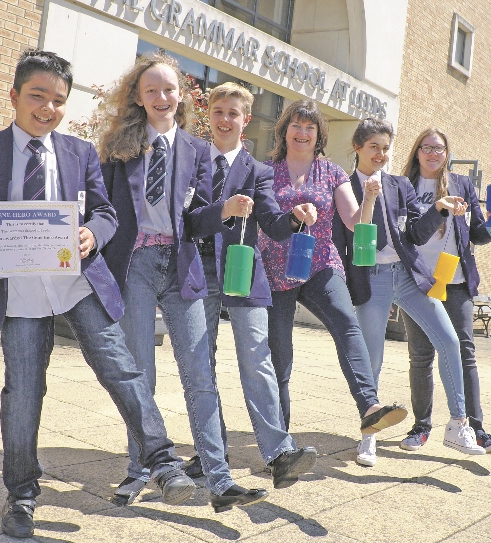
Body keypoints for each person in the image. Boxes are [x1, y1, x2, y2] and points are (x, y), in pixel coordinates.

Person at [0, 50, 195, 538]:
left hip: (76, 284)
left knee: (123, 370)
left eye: (58, 100)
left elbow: (106, 212)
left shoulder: (77, 153)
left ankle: (163, 462)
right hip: (17, 295)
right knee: (24, 394)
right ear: (14, 96)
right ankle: (22, 496)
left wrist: (94, 231)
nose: (48, 108)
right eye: (37, 96)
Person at [97, 52, 267, 512]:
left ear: (182, 95)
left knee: (199, 374)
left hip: (182, 264)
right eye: (150, 89)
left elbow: (193, 220)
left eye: (168, 89)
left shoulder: (195, 149)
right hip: (134, 266)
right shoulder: (120, 145)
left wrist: (225, 212)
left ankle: (220, 479)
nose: (160, 97)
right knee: (139, 376)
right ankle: (139, 470)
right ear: (138, 96)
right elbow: (106, 211)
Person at [184, 82, 318, 486]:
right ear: (210, 115)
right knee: (199, 366)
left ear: (246, 121)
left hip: (245, 271)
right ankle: (211, 453)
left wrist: (295, 217)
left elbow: (275, 228)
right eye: (219, 111)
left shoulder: (258, 172)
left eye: (234, 113)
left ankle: (279, 455)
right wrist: (221, 211)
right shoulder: (190, 162)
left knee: (258, 361)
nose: (226, 119)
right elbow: (186, 222)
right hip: (199, 271)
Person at [332, 118, 485, 468]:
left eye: (386, 148)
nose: (381, 154)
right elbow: (354, 232)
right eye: (373, 147)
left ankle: (458, 425)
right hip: (371, 277)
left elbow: (415, 233)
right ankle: (368, 436)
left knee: (449, 341)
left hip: (407, 275)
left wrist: (439, 208)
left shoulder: (400, 185)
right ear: (357, 147)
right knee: (372, 358)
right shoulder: (344, 186)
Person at [257, 99, 408, 448]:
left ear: (319, 135)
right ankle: (280, 445)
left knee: (346, 322)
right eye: (296, 125)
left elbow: (356, 223)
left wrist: (369, 198)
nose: (302, 133)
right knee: (280, 358)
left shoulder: (333, 173)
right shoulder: (265, 171)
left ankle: (369, 406)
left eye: (310, 127)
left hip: (320, 264)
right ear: (284, 130)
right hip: (275, 270)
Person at [398, 128, 491, 453]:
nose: (433, 153)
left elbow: (475, 233)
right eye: (427, 147)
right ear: (417, 152)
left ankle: (475, 429)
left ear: (447, 153)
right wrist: (440, 209)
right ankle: (421, 427)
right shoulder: (405, 188)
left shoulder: (462, 184)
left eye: (439, 148)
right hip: (417, 283)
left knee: (464, 352)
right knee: (421, 357)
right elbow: (414, 235)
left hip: (456, 282)